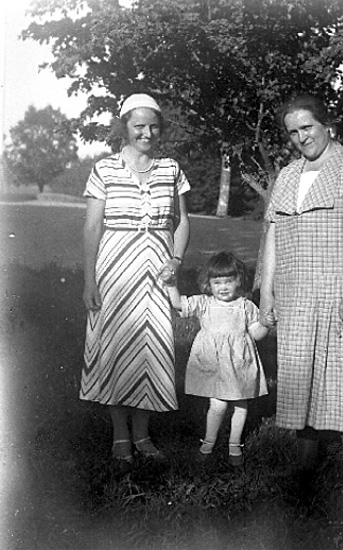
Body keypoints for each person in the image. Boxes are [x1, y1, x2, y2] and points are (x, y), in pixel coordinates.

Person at [259, 93, 343, 497]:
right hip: (297, 296)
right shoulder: (286, 176)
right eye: (293, 132)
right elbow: (274, 237)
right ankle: (305, 470)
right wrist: (267, 293)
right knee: (302, 377)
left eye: (307, 127)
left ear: (326, 125)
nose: (301, 137)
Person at [80, 93, 190, 464]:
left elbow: (182, 220)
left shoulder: (170, 169)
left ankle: (142, 434)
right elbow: (93, 226)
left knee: (152, 349)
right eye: (139, 126)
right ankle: (120, 433)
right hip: (114, 271)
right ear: (124, 127)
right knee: (113, 347)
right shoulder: (105, 169)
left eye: (153, 125)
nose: (147, 133)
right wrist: (89, 280)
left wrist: (176, 259)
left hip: (158, 272)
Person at [166, 251, 270, 467]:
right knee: (219, 404)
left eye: (229, 281)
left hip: (239, 363)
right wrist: (171, 283)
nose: (223, 287)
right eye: (217, 282)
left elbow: (256, 334)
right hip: (214, 364)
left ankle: (234, 443)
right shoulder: (205, 303)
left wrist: (267, 323)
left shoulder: (245, 305)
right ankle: (209, 441)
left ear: (239, 280)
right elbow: (177, 303)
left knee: (241, 404)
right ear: (208, 283)